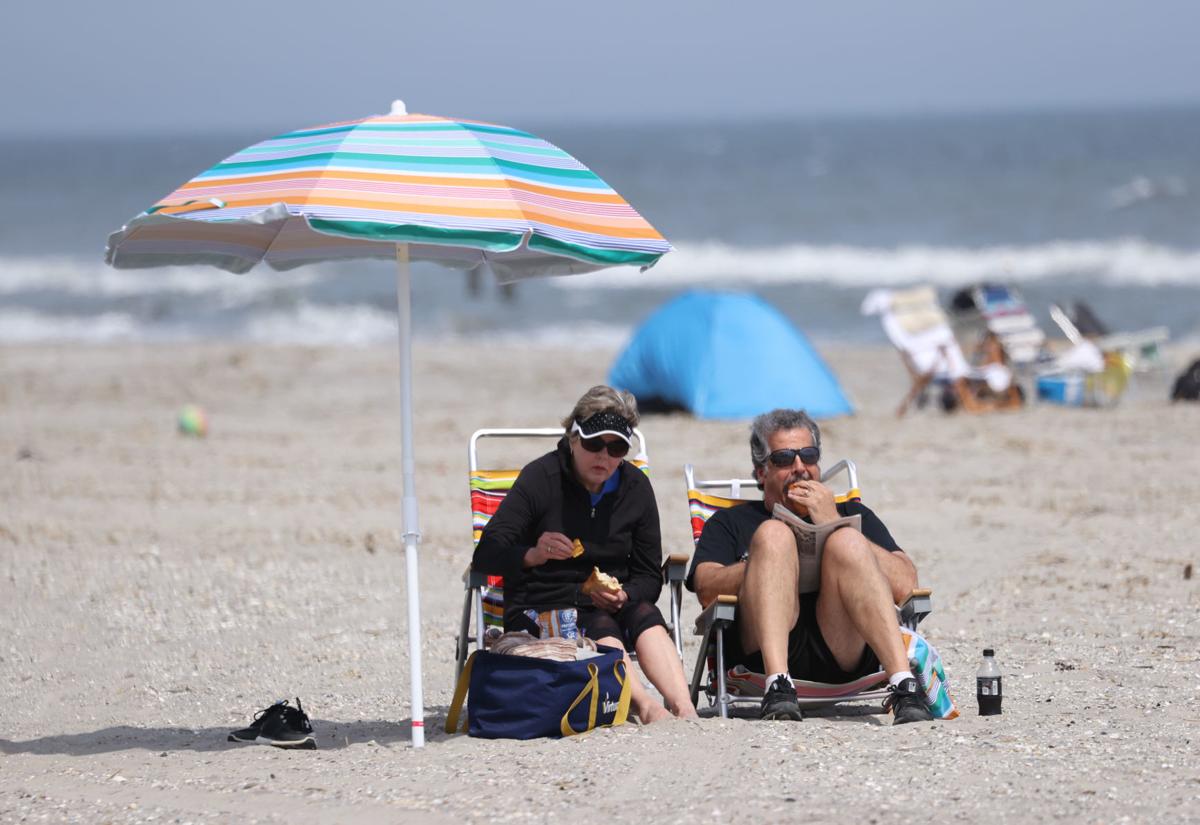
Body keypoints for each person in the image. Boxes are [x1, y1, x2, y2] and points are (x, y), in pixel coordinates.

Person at [685, 408, 933, 724]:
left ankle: (904, 685)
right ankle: (779, 685)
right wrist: (763, 564)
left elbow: (906, 583)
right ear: (761, 473)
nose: (800, 468)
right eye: (784, 458)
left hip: (842, 651)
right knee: (774, 535)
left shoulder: (848, 512)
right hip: (760, 657)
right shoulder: (731, 521)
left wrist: (834, 522)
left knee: (846, 542)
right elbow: (706, 587)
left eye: (809, 455)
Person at [472, 386, 697, 723]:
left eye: (617, 447)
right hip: (544, 602)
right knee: (599, 621)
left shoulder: (635, 488)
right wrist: (533, 554)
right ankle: (647, 707)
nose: (604, 457)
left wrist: (626, 595)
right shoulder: (541, 479)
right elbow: (486, 555)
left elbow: (650, 575)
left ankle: (684, 708)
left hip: (611, 603)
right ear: (573, 438)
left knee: (645, 612)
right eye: (594, 444)